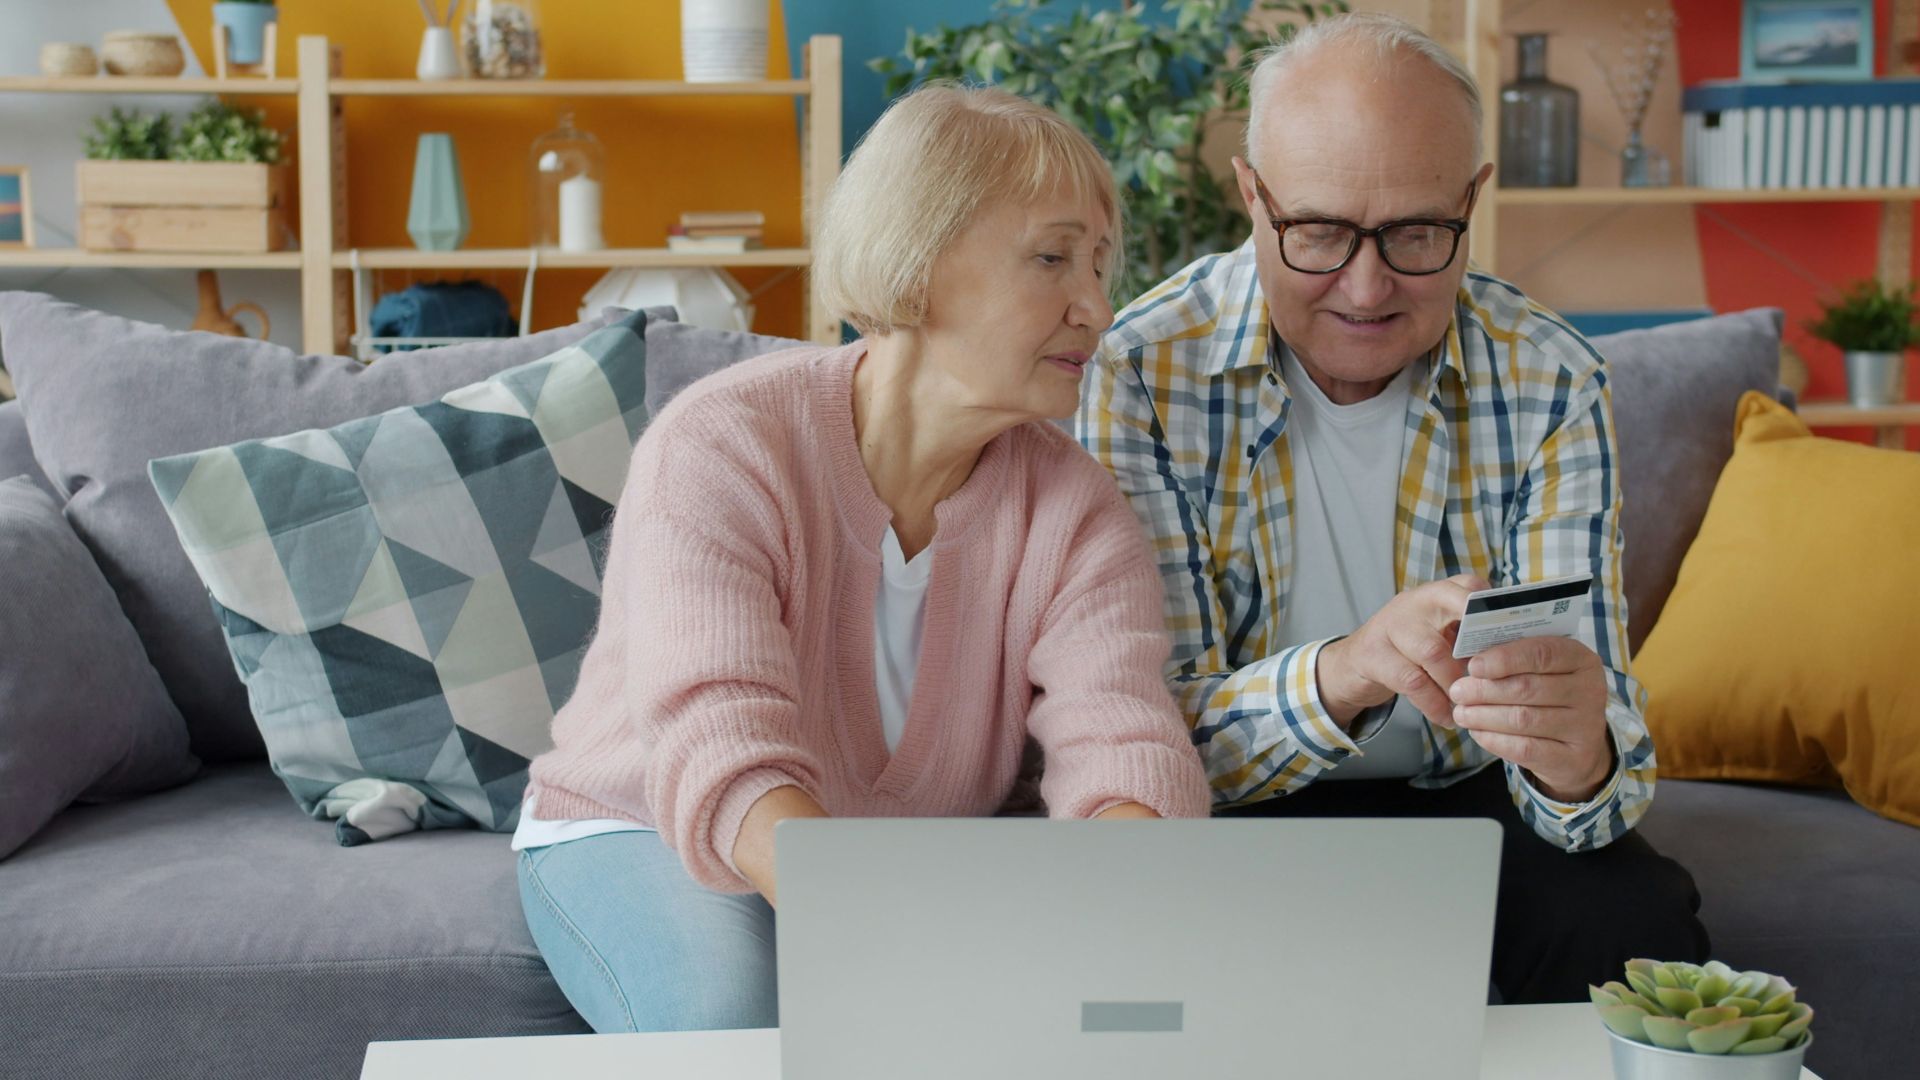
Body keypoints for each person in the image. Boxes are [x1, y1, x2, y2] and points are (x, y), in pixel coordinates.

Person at [513, 84, 1212, 1035]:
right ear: (917, 263)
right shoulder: (724, 442)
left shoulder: (1076, 508)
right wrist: (901, 949)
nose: (1097, 306)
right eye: (1053, 258)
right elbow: (721, 746)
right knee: (730, 1017)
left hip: (886, 873)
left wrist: (1122, 932)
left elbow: (1123, 747)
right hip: (649, 828)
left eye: (1099, 264)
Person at [1078, 13, 1708, 1003]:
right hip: (1228, 818)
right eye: (1320, 233)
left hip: (1468, 797)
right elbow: (1153, 743)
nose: (1366, 289)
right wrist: (1351, 668)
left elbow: (1595, 801)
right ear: (1251, 197)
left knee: (1636, 922)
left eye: (1417, 234)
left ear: (1471, 201)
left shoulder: (1551, 378)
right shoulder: (1143, 372)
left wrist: (1578, 759)